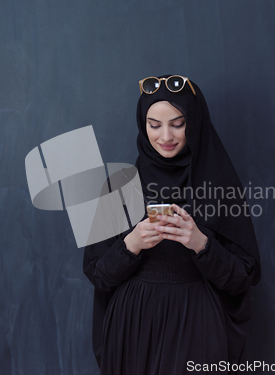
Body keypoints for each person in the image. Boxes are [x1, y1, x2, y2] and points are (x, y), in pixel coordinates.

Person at [83, 75, 261, 374]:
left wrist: (201, 244)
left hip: (198, 326)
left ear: (194, 122)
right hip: (133, 327)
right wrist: (132, 245)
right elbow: (98, 276)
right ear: (143, 125)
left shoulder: (220, 187)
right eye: (154, 125)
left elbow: (242, 280)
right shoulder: (119, 187)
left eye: (177, 123)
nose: (165, 135)